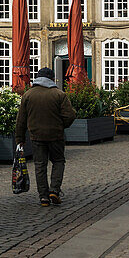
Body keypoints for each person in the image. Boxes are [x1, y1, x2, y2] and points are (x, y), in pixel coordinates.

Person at [15, 66, 76, 206]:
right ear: (52, 79)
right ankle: (54, 190)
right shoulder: (59, 94)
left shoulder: (28, 95)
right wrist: (61, 126)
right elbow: (70, 115)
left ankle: (43, 197)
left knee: (40, 166)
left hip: (36, 136)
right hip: (56, 135)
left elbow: (21, 120)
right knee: (58, 162)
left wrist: (20, 139)